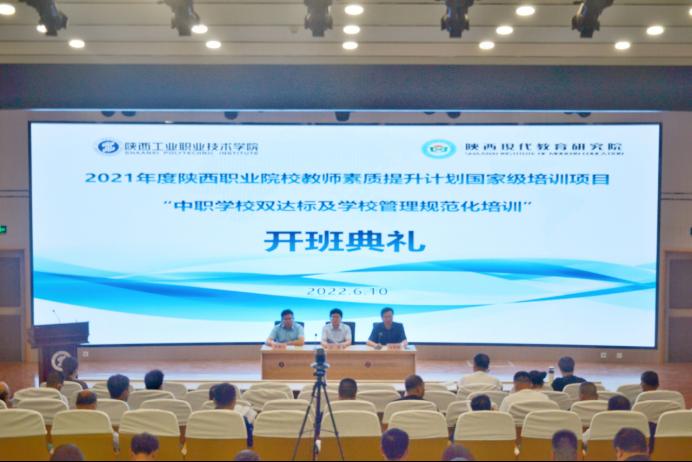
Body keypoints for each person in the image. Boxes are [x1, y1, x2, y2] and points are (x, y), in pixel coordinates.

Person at [213, 383, 254, 447]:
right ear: (234, 400)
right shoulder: (242, 420)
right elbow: (250, 443)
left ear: (214, 401)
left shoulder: (203, 419)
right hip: (236, 453)